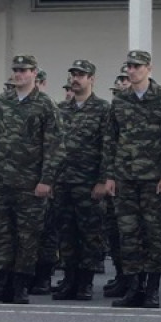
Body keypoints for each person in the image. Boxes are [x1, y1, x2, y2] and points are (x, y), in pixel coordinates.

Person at [0, 54, 62, 303]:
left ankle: (20, 286)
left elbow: (55, 146)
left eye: (24, 70)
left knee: (27, 236)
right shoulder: (2, 102)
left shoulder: (46, 105)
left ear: (35, 73)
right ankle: (1, 283)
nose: (19, 74)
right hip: (1, 180)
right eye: (16, 70)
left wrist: (46, 179)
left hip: (30, 182)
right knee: (0, 234)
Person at [102, 50, 161, 308]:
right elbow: (111, 140)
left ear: (149, 68)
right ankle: (133, 288)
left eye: (137, 66)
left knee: (154, 234)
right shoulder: (120, 100)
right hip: (125, 178)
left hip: (154, 180)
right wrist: (110, 175)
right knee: (129, 234)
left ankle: (152, 290)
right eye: (129, 66)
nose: (132, 70)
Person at [51, 59, 110, 301]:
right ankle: (69, 279)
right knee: (66, 233)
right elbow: (53, 147)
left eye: (81, 75)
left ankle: (85, 282)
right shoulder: (61, 110)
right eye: (73, 74)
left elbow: (108, 146)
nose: (75, 79)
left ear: (92, 79)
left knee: (89, 234)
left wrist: (103, 179)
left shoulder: (103, 109)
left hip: (88, 182)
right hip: (64, 181)